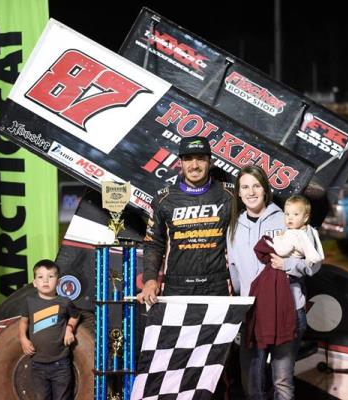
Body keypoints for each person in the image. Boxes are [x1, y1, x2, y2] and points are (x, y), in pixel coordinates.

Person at [227, 165, 322, 400]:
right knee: (252, 384)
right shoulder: (235, 226)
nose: (251, 192)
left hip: (287, 309)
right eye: (245, 187)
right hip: (253, 312)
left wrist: (287, 265)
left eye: (256, 186)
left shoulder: (287, 218)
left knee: (282, 380)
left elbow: (315, 264)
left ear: (265, 189)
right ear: (239, 193)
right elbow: (234, 272)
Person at [137, 136, 234, 302]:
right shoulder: (163, 198)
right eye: (188, 159)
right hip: (176, 287)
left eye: (201, 159)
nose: (194, 165)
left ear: (210, 162)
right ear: (180, 163)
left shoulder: (230, 195)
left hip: (218, 286)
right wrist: (150, 279)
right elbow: (153, 243)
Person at [19, 259, 80, 400]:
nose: (45, 281)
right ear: (34, 283)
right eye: (40, 277)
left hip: (61, 364)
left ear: (58, 282)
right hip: (37, 363)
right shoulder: (29, 302)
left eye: (50, 277)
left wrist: (69, 329)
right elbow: (23, 322)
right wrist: (23, 338)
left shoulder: (64, 302)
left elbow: (75, 316)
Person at [267, 195, 324, 266]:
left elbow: (281, 251)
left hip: (286, 266)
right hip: (299, 265)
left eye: (295, 214)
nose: (290, 218)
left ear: (305, 218)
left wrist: (277, 238)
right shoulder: (309, 231)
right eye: (287, 214)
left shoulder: (293, 234)